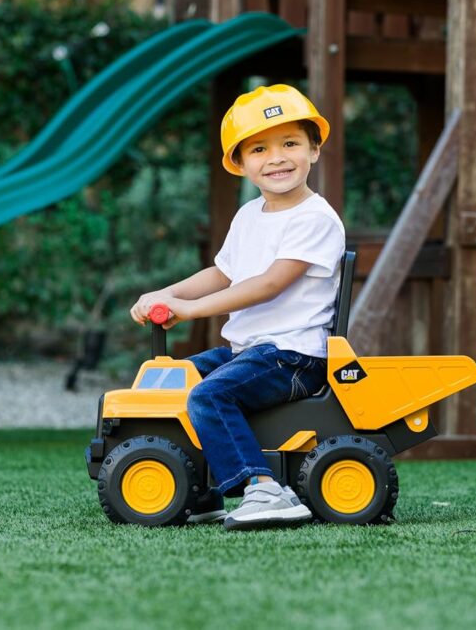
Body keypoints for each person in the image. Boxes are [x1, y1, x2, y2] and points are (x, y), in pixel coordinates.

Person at [130, 84, 345, 530]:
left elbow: (268, 284)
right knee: (177, 382)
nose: (277, 158)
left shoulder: (315, 218)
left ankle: (264, 489)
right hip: (250, 350)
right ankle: (200, 491)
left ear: (315, 150)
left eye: (290, 144)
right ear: (241, 164)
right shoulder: (250, 215)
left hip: (294, 355)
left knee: (211, 394)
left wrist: (191, 311)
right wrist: (165, 294)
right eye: (259, 149)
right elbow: (223, 273)